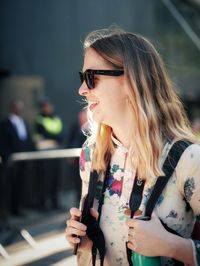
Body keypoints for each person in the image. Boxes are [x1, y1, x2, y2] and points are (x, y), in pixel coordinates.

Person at [65, 27, 200, 266]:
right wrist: (86, 240)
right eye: (81, 78)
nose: (82, 90)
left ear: (131, 81)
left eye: (91, 78)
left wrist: (173, 247)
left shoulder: (189, 159)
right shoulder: (91, 153)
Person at [0, 100, 35, 216]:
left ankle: (18, 208)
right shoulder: (5, 123)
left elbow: (28, 139)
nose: (19, 110)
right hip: (12, 161)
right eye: (16, 107)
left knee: (22, 184)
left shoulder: (23, 121)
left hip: (24, 159)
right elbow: (3, 142)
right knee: (11, 185)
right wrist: (7, 156)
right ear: (12, 108)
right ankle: (10, 210)